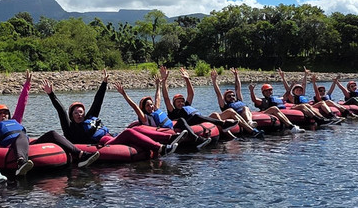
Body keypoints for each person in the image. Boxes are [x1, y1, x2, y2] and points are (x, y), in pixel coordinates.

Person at [0, 73, 92, 174]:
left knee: (52, 134)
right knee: (21, 136)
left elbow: (22, 104)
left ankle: (80, 155)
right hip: (9, 148)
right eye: (0, 113)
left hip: (25, 144)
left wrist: (27, 85)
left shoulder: (15, 120)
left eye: (6, 113)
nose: (3, 115)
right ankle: (21, 163)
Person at [44, 70, 185, 158]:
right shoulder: (70, 128)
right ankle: (160, 148)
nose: (79, 114)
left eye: (81, 112)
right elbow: (61, 111)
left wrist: (104, 83)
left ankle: (170, 138)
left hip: (112, 138)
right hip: (105, 144)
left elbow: (97, 101)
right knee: (129, 132)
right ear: (71, 115)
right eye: (75, 113)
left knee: (137, 128)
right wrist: (51, 94)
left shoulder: (90, 118)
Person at [114, 78, 212, 149]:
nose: (151, 107)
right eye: (147, 106)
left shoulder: (154, 110)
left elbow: (158, 98)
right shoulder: (144, 117)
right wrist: (124, 94)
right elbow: (134, 106)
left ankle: (196, 139)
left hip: (168, 127)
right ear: (143, 108)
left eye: (151, 104)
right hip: (159, 132)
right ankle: (193, 139)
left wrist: (158, 85)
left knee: (181, 120)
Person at [159, 66, 241, 139]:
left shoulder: (186, 106)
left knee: (213, 114)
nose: (181, 103)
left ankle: (227, 131)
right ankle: (223, 124)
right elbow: (166, 98)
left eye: (182, 101)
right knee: (195, 117)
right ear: (174, 103)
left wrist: (187, 79)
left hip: (194, 122)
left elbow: (191, 94)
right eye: (178, 102)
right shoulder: (172, 111)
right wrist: (164, 81)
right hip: (182, 125)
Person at [209, 69, 263, 135]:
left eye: (233, 95)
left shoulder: (239, 100)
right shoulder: (225, 105)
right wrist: (214, 81)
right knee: (231, 110)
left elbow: (238, 88)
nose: (232, 97)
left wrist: (236, 76)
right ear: (225, 99)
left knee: (245, 108)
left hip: (244, 115)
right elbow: (218, 94)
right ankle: (251, 129)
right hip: (234, 115)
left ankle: (250, 122)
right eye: (229, 96)